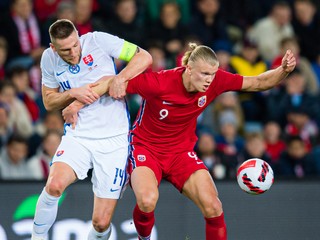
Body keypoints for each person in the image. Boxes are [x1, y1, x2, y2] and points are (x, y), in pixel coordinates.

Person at [63, 43, 296, 239]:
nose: (209, 80)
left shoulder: (215, 82)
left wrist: (283, 71)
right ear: (188, 68)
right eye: (204, 74)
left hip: (181, 153)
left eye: (213, 74)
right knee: (147, 200)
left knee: (213, 206)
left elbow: (257, 82)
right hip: (145, 148)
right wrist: (76, 104)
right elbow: (110, 83)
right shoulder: (159, 82)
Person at [31, 19, 152, 240]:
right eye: (65, 50)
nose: (73, 52)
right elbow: (49, 101)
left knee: (101, 222)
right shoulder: (48, 59)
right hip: (79, 135)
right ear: (53, 48)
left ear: (79, 35)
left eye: (75, 45)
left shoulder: (98, 40)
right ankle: (36, 238)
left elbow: (144, 56)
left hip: (114, 140)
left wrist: (120, 78)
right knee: (55, 185)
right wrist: (72, 94)